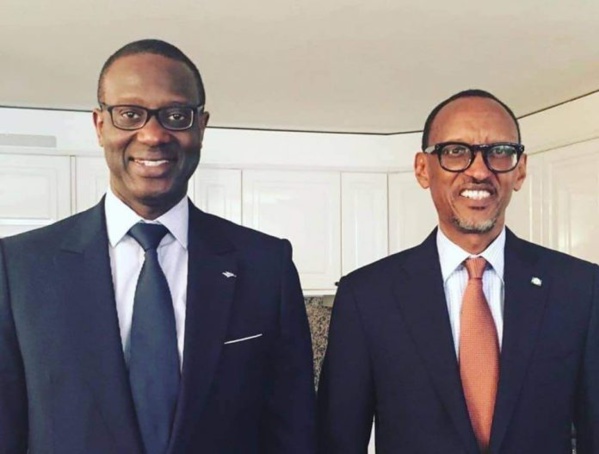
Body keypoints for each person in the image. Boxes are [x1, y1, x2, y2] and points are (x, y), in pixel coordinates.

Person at [0, 39, 316, 454]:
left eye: (176, 116)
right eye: (130, 114)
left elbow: (293, 430)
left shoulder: (266, 265)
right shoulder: (18, 267)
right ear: (100, 125)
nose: (152, 135)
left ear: (201, 127)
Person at [317, 89, 599, 453]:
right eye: (455, 151)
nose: (479, 171)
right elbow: (338, 441)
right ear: (423, 169)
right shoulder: (367, 296)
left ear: (520, 170)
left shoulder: (580, 288)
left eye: (500, 151)